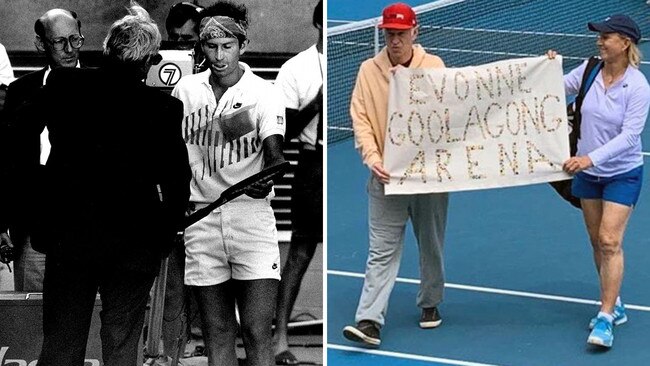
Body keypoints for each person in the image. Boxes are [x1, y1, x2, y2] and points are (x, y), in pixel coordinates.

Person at [10, 2, 191, 365]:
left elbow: (19, 146)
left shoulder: (64, 87)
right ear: (148, 61)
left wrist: (41, 214)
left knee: (62, 341)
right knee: (122, 341)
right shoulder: (162, 110)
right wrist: (163, 234)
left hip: (70, 241)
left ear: (106, 48)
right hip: (134, 246)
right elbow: (177, 181)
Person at [171, 2, 286, 365]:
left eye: (227, 47)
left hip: (251, 218)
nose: (219, 56)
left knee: (255, 332)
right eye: (211, 46)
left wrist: (266, 177)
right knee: (216, 333)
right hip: (201, 220)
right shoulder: (185, 91)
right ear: (201, 47)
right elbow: (171, 156)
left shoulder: (264, 93)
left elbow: (276, 155)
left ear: (242, 44)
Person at [342, 2, 449, 347]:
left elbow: (449, 114)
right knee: (381, 250)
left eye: (401, 34)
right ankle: (369, 320)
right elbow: (360, 120)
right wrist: (372, 159)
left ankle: (430, 303)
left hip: (427, 180)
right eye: (389, 33)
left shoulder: (434, 67)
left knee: (431, 245)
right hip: (384, 178)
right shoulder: (367, 71)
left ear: (415, 33)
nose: (395, 40)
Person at [548, 14, 650, 348]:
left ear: (625, 43)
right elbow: (555, 88)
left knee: (609, 240)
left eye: (606, 36)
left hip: (622, 172)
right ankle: (614, 302)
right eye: (599, 36)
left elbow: (630, 136)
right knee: (596, 241)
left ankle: (605, 316)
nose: (599, 41)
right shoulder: (590, 69)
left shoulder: (637, 87)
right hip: (588, 175)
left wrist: (589, 158)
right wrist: (547, 69)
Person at [0, 8, 84, 292]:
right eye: (60, 42)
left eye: (76, 39)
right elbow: (8, 161)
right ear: (41, 44)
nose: (70, 49)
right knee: (32, 315)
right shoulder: (21, 91)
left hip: (87, 226)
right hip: (35, 224)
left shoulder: (101, 87)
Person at [272, 1, 323, 364]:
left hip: (352, 158)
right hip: (311, 165)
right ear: (319, 24)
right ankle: (280, 339)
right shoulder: (297, 69)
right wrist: (318, 102)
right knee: (301, 253)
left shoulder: (359, 57)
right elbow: (283, 132)